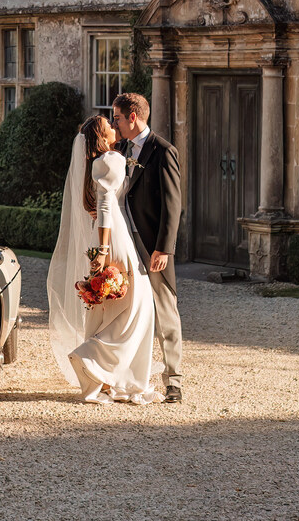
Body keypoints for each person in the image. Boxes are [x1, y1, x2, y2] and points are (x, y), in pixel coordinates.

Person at [46, 115, 162, 404]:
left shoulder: (96, 163)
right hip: (113, 237)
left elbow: (99, 204)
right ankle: (91, 359)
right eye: (108, 125)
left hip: (103, 235)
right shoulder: (111, 159)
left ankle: (106, 378)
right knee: (138, 307)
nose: (113, 125)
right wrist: (102, 249)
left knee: (110, 307)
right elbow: (107, 204)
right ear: (101, 135)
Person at [111, 91, 184, 403]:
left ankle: (174, 382)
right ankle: (124, 377)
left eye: (117, 118)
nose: (113, 124)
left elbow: (173, 204)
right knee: (127, 310)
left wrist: (164, 249)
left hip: (152, 245)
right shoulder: (122, 149)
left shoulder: (163, 151)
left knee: (165, 311)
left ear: (133, 117)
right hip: (124, 243)